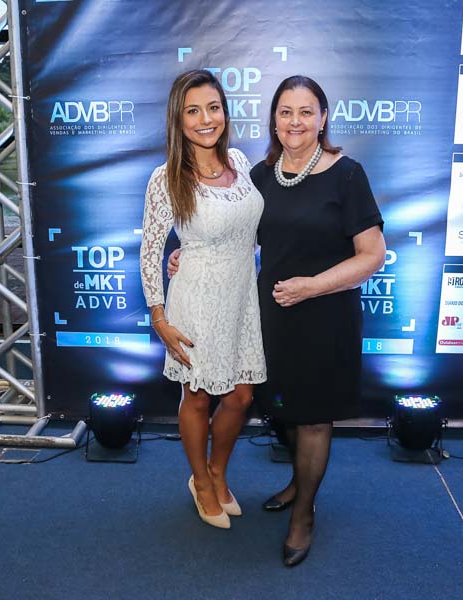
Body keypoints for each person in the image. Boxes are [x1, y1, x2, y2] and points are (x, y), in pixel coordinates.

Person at [173, 75, 386, 563]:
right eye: (286, 112)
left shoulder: (346, 174)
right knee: (283, 409)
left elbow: (372, 255)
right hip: (270, 316)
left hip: (325, 316)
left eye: (306, 112)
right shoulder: (262, 175)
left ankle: (303, 514)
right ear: (273, 120)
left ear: (323, 118)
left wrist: (312, 286)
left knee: (313, 418)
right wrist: (191, 254)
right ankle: (297, 481)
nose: (295, 122)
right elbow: (234, 235)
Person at [139, 70, 267, 530]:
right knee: (196, 397)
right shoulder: (166, 178)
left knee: (241, 395)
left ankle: (217, 471)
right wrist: (159, 317)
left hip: (242, 299)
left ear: (225, 112)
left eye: (213, 107)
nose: (205, 119)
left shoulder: (241, 162)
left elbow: (248, 229)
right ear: (178, 119)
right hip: (195, 300)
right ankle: (200, 480)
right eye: (192, 111)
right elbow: (150, 249)